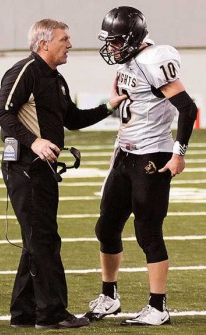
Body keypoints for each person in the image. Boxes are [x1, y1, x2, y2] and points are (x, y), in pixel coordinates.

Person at [0, 18, 126, 330]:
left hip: (43, 170)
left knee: (36, 240)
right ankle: (51, 313)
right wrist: (34, 141)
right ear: (44, 44)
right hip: (25, 168)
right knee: (44, 239)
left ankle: (24, 313)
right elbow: (1, 112)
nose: (70, 44)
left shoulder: (56, 78)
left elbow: (73, 119)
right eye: (64, 39)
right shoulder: (25, 70)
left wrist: (110, 105)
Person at [84, 6, 197, 326]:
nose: (112, 48)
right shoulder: (128, 60)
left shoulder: (155, 60)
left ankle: (158, 306)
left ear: (133, 39)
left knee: (148, 232)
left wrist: (179, 154)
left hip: (152, 156)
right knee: (105, 227)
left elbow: (188, 109)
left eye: (117, 41)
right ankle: (109, 296)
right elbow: (125, 99)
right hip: (124, 153)